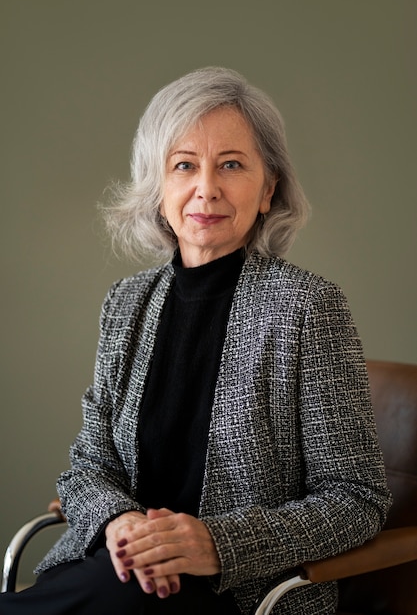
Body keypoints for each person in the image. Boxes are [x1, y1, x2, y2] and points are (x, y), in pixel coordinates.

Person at [0, 67, 391, 615]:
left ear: (267, 190)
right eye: (184, 165)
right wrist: (120, 524)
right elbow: (90, 464)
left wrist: (214, 546)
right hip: (119, 570)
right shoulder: (126, 302)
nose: (206, 187)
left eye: (231, 165)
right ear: (160, 190)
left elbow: (357, 501)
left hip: (237, 590)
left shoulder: (307, 308)